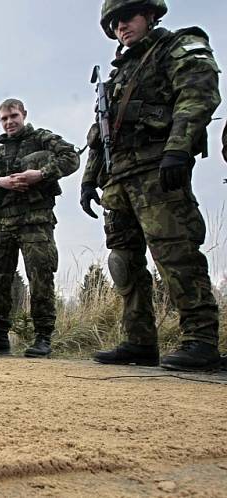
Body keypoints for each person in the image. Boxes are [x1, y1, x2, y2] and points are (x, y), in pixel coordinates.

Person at [80, 0, 222, 371]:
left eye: (127, 17)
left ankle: (201, 339)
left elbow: (198, 94)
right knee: (123, 262)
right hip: (119, 179)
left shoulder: (176, 47)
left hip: (157, 170)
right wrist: (89, 179)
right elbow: (102, 133)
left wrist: (178, 148)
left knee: (176, 253)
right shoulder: (119, 74)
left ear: (150, 14)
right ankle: (139, 340)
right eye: (113, 23)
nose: (121, 27)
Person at [0, 98, 79, 357]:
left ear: (24, 115)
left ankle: (43, 337)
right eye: (4, 118)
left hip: (36, 221)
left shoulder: (42, 139)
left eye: (14, 116)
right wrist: (1, 182)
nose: (9, 122)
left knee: (40, 277)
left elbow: (71, 158)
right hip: (4, 224)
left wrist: (41, 174)